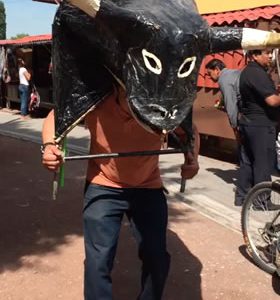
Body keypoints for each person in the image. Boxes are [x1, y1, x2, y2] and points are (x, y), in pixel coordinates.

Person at [41, 86, 200, 300]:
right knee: (98, 261)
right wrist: (50, 145)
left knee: (157, 257)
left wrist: (192, 160)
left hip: (148, 185)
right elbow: (56, 115)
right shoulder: (96, 95)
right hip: (103, 184)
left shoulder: (158, 100)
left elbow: (189, 130)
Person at [237, 49, 280, 207]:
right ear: (254, 55)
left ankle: (242, 197)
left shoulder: (247, 72)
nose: (270, 56)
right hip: (261, 124)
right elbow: (272, 101)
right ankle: (262, 201)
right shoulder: (257, 73)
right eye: (266, 53)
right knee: (262, 163)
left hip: (249, 123)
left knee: (248, 162)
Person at [205, 58, 246, 205]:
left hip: (246, 118)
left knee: (245, 155)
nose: (210, 77)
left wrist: (235, 127)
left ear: (217, 69)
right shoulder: (235, 73)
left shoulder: (223, 79)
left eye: (210, 74)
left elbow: (231, 105)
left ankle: (244, 190)